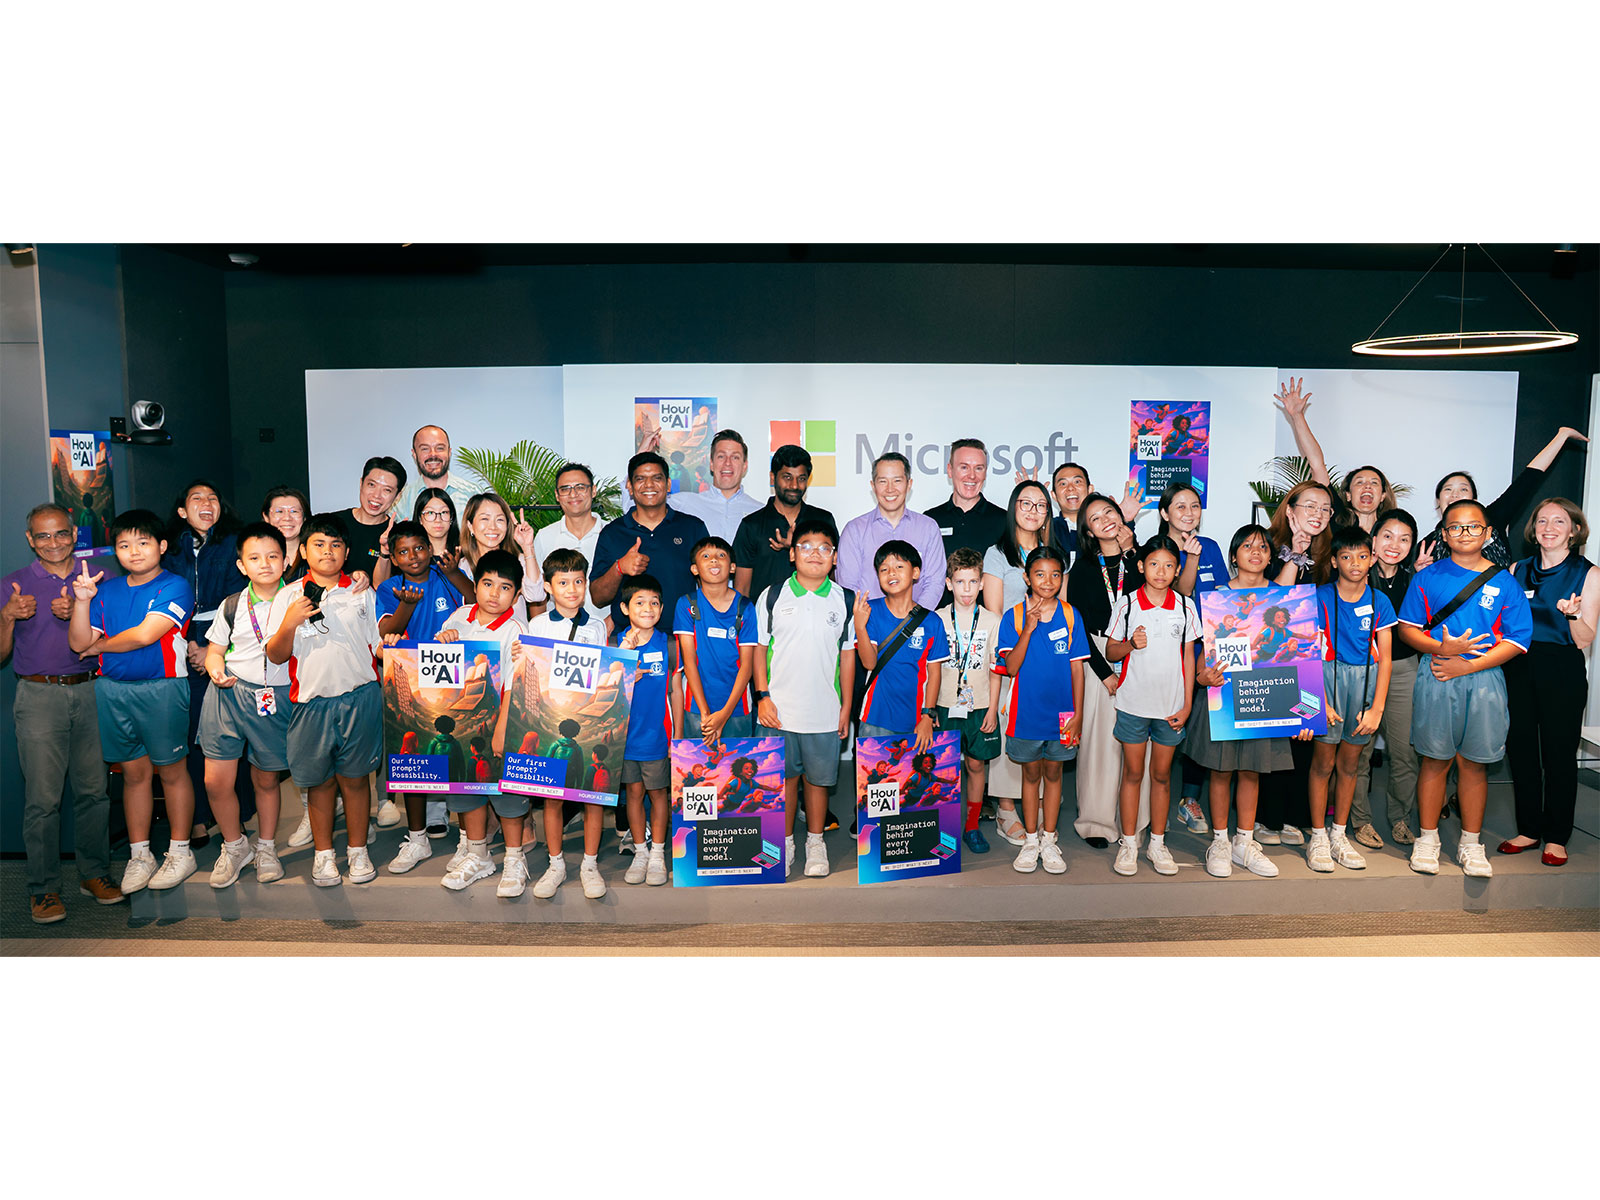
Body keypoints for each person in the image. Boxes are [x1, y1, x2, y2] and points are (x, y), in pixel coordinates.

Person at [1397, 498, 1533, 878]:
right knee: (1434, 760)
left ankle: (1471, 844)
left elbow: (1518, 640)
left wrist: (1468, 663)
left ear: (1488, 533)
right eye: (1455, 527)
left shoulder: (1505, 582)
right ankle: (1427, 839)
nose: (1465, 533)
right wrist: (1442, 648)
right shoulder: (1428, 577)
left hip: (1484, 679)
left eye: (1474, 527)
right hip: (1437, 673)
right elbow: (1408, 628)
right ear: (1444, 534)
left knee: (1474, 764)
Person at [2, 503, 123, 923]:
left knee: (94, 792)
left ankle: (94, 873)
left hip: (91, 692)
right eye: (43, 536)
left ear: (74, 534)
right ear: (30, 539)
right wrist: (7, 617)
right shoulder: (13, 584)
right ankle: (43, 889)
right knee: (43, 800)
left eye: (61, 534)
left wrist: (79, 613)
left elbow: (115, 634)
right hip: (38, 697)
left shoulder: (97, 578)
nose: (53, 543)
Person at [67, 509, 197, 893]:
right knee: (134, 775)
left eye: (143, 543)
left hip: (162, 687)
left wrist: (99, 647)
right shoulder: (105, 590)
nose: (134, 552)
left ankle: (180, 850)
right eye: (124, 545)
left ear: (161, 546)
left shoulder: (175, 585)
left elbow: (144, 635)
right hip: (113, 691)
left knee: (172, 771)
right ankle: (141, 854)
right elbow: (77, 643)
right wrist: (82, 601)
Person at [264, 513, 384, 888]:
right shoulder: (288, 594)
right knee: (319, 783)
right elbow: (276, 655)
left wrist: (394, 643)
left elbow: (378, 645)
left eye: (335, 545)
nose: (327, 552)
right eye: (318, 544)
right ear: (303, 550)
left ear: (347, 552)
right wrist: (290, 621)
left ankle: (358, 851)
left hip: (360, 698)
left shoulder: (362, 591)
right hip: (311, 703)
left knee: (355, 779)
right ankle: (323, 855)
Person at [1183, 525, 1293, 879]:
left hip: (1265, 694)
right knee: (1221, 769)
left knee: (1252, 770)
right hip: (1224, 695)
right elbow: (1204, 650)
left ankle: (1244, 841)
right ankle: (1220, 841)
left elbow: (1296, 654)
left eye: (1263, 547)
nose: (1256, 552)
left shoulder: (1283, 597)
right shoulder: (1216, 597)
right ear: (1234, 555)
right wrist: (1202, 677)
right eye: (1247, 546)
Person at [422, 549, 532, 894]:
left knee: (507, 793)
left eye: (504, 588)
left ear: (515, 595)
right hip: (462, 723)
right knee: (467, 789)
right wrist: (443, 641)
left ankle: (515, 859)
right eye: (487, 584)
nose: (494, 594)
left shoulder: (516, 628)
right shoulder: (457, 617)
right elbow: (438, 667)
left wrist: (502, 728)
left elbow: (515, 683)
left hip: (500, 724)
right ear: (476, 584)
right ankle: (478, 853)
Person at [752, 517, 857, 879]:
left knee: (818, 782)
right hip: (778, 713)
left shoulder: (845, 599)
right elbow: (759, 650)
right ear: (793, 553)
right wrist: (762, 696)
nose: (816, 554)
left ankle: (815, 843)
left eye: (825, 548)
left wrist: (846, 708)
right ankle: (783, 844)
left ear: (835, 557)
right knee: (783, 782)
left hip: (825, 713)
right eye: (807, 546)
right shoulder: (771, 595)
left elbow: (847, 656)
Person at [1503, 498, 1599, 867]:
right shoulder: (1517, 569)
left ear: (1574, 530)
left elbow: (1584, 640)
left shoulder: (1589, 574)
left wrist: (1574, 616)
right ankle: (1528, 829)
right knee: (1522, 750)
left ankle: (1557, 836)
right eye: (1542, 520)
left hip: (1562, 669)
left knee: (1558, 756)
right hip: (1520, 667)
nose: (1548, 527)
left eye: (1559, 521)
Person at [199, 522, 294, 888]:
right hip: (228, 696)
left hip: (275, 699)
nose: (265, 564)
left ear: (286, 560)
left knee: (266, 778)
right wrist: (215, 670)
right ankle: (236, 846)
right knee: (215, 781)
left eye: (273, 556)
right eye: (254, 558)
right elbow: (215, 652)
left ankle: (266, 847)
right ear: (242, 566)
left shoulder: (301, 600)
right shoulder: (232, 604)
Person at [376, 518, 473, 861]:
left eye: (419, 548)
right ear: (394, 557)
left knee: (453, 749)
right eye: (403, 552)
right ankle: (418, 835)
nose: (413, 556)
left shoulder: (445, 578)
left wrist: (455, 573)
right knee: (414, 753)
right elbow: (388, 632)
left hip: (452, 674)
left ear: (431, 549)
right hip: (411, 678)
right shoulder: (389, 588)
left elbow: (477, 602)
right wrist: (407, 603)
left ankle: (468, 835)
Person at [1105, 535, 1201, 876]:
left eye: (1169, 565)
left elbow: (1189, 657)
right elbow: (1110, 651)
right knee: (1132, 774)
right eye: (1154, 564)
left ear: (1178, 570)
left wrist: (1187, 704)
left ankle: (1157, 844)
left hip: (1171, 707)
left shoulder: (1185, 606)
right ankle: (1129, 843)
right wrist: (1131, 643)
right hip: (1132, 703)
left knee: (1161, 776)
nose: (1161, 571)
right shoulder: (1127, 603)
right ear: (1142, 566)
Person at [1306, 525, 1396, 873]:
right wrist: (1319, 699)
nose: (1355, 563)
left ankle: (1338, 834)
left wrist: (1377, 708)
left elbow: (1386, 658)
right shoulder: (1321, 596)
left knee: (1349, 765)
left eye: (1361, 556)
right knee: (1322, 763)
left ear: (1372, 559)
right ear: (1334, 561)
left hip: (1364, 685)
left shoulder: (1380, 601)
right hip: (1326, 680)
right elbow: (1307, 652)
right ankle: (1317, 836)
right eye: (1346, 556)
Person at [995, 545, 1090, 874]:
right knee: (1030, 776)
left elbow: (1077, 669)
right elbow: (1010, 667)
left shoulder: (1070, 614)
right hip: (1026, 715)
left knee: (1054, 776)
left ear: (1061, 577)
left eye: (1054, 574)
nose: (1047, 581)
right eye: (1039, 574)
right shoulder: (1015, 616)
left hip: (1063, 717)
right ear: (1026, 577)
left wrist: (1078, 713)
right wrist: (1029, 629)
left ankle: (1050, 840)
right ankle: (1031, 840)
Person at [525, 546, 611, 900]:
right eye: (563, 582)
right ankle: (556, 862)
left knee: (592, 795)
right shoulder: (538, 624)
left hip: (583, 722)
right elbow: (532, 671)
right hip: (551, 722)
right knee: (553, 798)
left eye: (578, 581)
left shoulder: (595, 627)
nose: (573, 589)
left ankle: (590, 864)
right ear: (548, 586)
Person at [164, 478, 243, 845]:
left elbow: (237, 597)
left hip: (229, 642)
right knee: (194, 735)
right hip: (179, 647)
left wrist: (208, 645)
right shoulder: (169, 548)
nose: (206, 503)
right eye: (197, 498)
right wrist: (189, 645)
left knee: (230, 735)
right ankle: (198, 818)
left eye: (213, 497)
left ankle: (234, 816)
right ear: (182, 510)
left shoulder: (233, 543)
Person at [981, 479, 1060, 845]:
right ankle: (1006, 807)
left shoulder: (1054, 552)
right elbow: (995, 613)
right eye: (1025, 503)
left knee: (1041, 731)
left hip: (1049, 659)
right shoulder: (998, 554)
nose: (1033, 510)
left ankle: (1039, 805)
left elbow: (1063, 611)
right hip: (1013, 652)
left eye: (1040, 504)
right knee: (1009, 727)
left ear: (1048, 512)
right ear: (1013, 508)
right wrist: (1014, 649)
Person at [1063, 492, 1143, 848]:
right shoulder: (1081, 568)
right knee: (1099, 743)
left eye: (1109, 512)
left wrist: (1132, 551)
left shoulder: (1141, 557)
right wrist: (1103, 672)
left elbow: (1152, 598)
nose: (1105, 520)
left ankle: (1136, 824)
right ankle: (1096, 822)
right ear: (1089, 531)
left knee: (1139, 742)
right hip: (1098, 657)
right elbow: (1077, 627)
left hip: (1140, 651)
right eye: (1095, 518)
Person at [1350, 508, 1423, 847]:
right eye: (1388, 536)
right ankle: (1360, 820)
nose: (1396, 544)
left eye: (1404, 538)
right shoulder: (1356, 573)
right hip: (1361, 670)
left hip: (1404, 669)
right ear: (1374, 540)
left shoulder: (1417, 579)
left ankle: (1399, 818)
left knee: (1404, 751)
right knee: (1359, 750)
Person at [1418, 427, 1589, 568]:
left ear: (1475, 501)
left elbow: (1528, 480)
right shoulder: (1428, 545)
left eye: (1463, 489)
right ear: (1438, 501)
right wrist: (1420, 572)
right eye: (1448, 489)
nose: (1455, 494)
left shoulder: (1492, 518)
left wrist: (1562, 436)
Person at [590, 451, 711, 631]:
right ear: (630, 487)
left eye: (657, 478)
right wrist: (620, 568)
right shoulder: (612, 533)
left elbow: (708, 585)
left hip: (684, 637)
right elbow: (598, 599)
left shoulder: (693, 528)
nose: (649, 485)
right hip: (630, 641)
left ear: (668, 484)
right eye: (640, 479)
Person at [852, 539, 948, 757]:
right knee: (877, 785)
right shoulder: (870, 611)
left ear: (915, 573)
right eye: (884, 569)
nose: (891, 573)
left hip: (916, 720)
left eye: (899, 567)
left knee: (911, 783)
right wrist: (859, 625)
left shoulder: (932, 621)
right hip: (875, 716)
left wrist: (927, 716)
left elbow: (934, 675)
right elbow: (869, 663)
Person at [934, 548, 1002, 854]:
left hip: (980, 706)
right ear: (948, 583)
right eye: (960, 582)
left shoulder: (992, 621)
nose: (966, 589)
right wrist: (928, 709)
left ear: (982, 583)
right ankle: (943, 828)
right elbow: (928, 670)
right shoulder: (936, 620)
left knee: (976, 765)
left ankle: (972, 826)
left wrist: (992, 709)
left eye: (973, 582)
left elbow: (996, 670)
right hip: (943, 705)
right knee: (942, 768)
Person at [615, 575, 676, 887]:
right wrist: (625, 671)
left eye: (654, 602)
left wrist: (675, 735)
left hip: (657, 737)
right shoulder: (616, 644)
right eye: (639, 602)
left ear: (661, 607)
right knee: (634, 794)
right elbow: (607, 691)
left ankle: (658, 853)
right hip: (625, 739)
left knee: (658, 793)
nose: (648, 608)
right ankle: (640, 850)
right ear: (625, 607)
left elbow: (675, 691)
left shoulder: (669, 644)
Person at [837, 452, 947, 610]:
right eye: (883, 481)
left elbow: (934, 583)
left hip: (917, 626)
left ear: (909, 484)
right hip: (869, 626)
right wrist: (875, 621)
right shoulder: (854, 531)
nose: (890, 489)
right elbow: (849, 586)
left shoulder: (928, 528)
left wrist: (913, 621)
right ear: (873, 485)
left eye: (897, 481)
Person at [674, 536, 758, 742]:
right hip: (696, 707)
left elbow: (747, 667)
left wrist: (724, 714)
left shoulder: (745, 607)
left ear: (732, 567)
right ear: (695, 569)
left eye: (721, 555)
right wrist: (705, 711)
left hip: (738, 707)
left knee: (737, 770)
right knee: (699, 771)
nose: (714, 560)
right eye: (706, 556)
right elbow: (690, 661)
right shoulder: (686, 605)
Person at [732, 444, 836, 603]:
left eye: (801, 479)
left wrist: (796, 547)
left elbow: (833, 578)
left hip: (817, 619)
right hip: (766, 622)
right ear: (773, 478)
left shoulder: (823, 520)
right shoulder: (751, 525)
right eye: (787, 477)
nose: (794, 485)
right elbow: (742, 590)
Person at [926, 439, 1007, 604]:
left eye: (979, 468)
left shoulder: (1004, 521)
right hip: (940, 624)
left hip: (987, 624)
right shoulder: (930, 520)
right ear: (950, 470)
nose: (972, 475)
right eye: (964, 467)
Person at [531, 463, 607, 621]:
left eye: (580, 487)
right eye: (565, 489)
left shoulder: (612, 533)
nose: (573, 494)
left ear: (593, 491)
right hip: (558, 634)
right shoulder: (545, 536)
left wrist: (612, 623)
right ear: (557, 496)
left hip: (606, 631)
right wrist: (538, 636)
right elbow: (538, 593)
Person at [666, 429, 763, 541]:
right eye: (721, 456)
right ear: (711, 464)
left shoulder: (760, 512)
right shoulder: (683, 504)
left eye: (735, 457)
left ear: (744, 466)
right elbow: (645, 507)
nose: (727, 463)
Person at [328, 455, 407, 580]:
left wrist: (385, 551)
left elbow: (385, 588)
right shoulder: (332, 523)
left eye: (387, 490)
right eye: (371, 485)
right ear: (361, 483)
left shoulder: (395, 537)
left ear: (397, 496)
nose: (376, 495)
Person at [396, 424, 479, 518]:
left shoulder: (472, 493)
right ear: (414, 454)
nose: (433, 454)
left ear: (449, 452)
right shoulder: (400, 501)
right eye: (425, 449)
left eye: (440, 448)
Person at [262, 485, 312, 582]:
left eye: (294, 511)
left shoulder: (316, 554)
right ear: (266, 517)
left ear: (305, 517)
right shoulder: (257, 556)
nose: (287, 518)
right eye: (279, 511)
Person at [412, 486, 462, 563]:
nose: (438, 520)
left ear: (451, 517)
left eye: (444, 512)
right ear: (420, 519)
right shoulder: (412, 556)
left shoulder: (464, 555)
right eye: (430, 513)